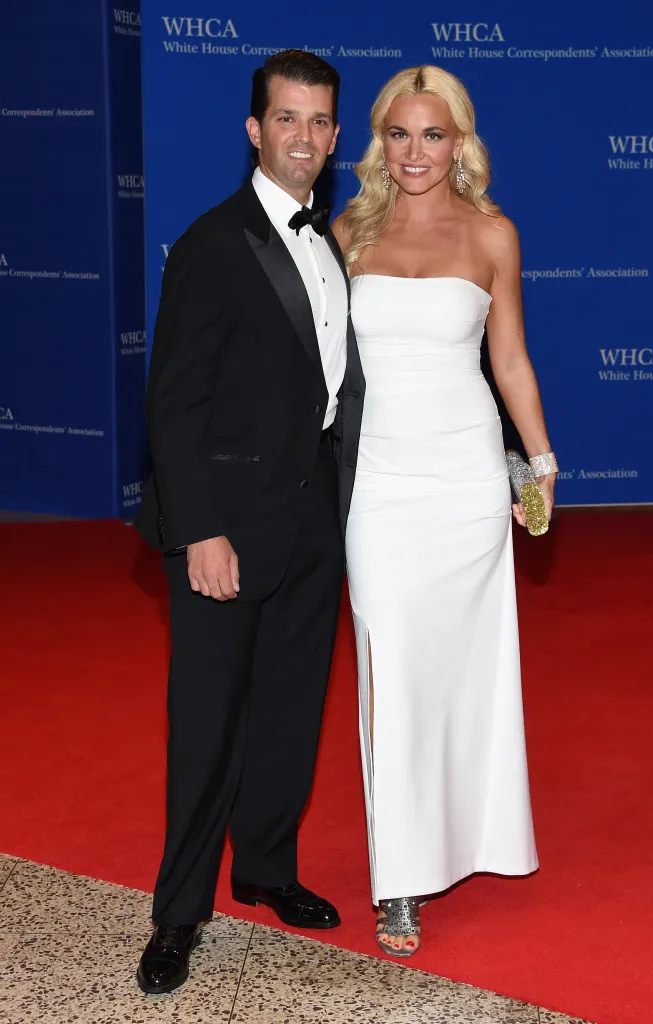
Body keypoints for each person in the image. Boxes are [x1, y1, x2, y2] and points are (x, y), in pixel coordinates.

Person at [134, 49, 364, 994]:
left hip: (313, 519)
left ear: (335, 135)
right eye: (286, 118)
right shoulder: (213, 241)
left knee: (289, 709)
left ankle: (266, 867)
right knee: (207, 724)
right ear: (254, 129)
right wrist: (198, 530)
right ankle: (177, 915)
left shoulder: (334, 241)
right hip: (227, 527)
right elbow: (172, 400)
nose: (303, 137)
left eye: (319, 121)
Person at [333, 65, 556, 958]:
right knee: (391, 668)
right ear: (379, 142)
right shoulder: (348, 230)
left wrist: (538, 463)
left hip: (466, 479)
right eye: (399, 133)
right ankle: (400, 876)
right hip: (377, 484)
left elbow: (511, 360)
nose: (416, 151)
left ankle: (472, 836)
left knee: (465, 672)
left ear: (459, 142)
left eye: (433, 134)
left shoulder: (494, 233)